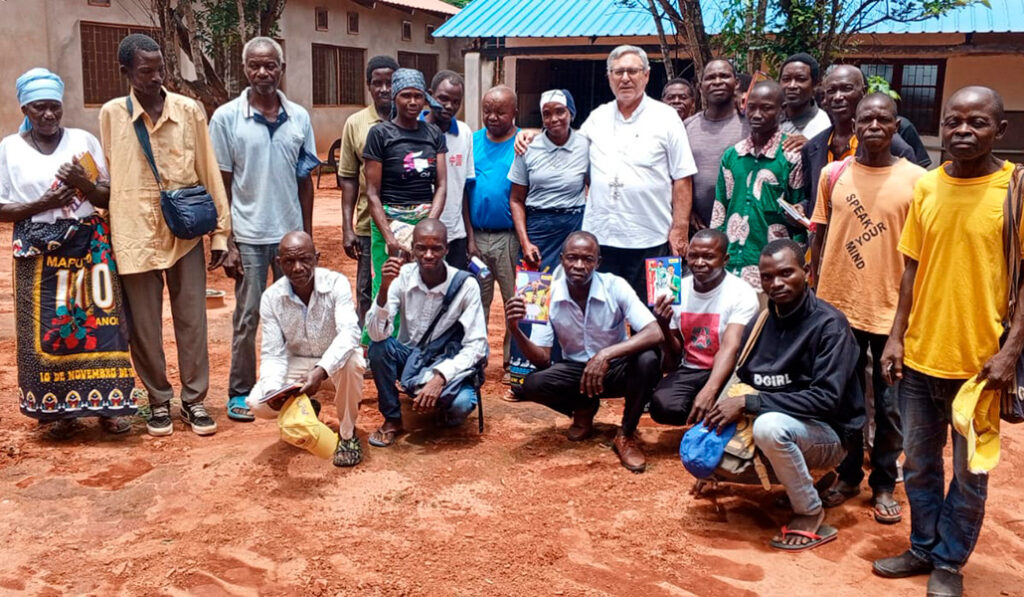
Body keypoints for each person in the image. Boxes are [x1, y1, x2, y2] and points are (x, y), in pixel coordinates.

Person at [873, 87, 1018, 597]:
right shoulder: (929, 188)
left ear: (999, 130)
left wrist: (1010, 353)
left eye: (977, 123)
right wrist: (896, 338)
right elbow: (911, 270)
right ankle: (922, 547)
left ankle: (950, 563)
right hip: (920, 357)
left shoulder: (1016, 192)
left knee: (970, 473)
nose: (962, 131)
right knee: (918, 462)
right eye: (953, 121)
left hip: (980, 368)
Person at [100, 34, 231, 437]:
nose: (157, 78)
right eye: (146, 71)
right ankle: (158, 400)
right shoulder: (111, 114)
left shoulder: (188, 110)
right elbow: (108, 172)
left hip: (185, 234)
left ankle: (194, 401)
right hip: (133, 234)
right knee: (143, 326)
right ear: (126, 73)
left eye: (161, 69)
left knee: (192, 321)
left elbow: (208, 170)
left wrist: (221, 234)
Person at [809, 93, 926, 524]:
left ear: (897, 126)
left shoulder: (918, 180)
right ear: (854, 126)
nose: (874, 125)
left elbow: (922, 254)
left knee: (891, 404)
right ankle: (846, 473)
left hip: (894, 311)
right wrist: (815, 294)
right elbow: (819, 237)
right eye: (866, 119)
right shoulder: (832, 174)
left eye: (883, 119)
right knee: (844, 398)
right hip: (839, 307)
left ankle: (882, 481)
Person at [1, 68, 136, 439]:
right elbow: (1, 207)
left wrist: (83, 183)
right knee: (47, 329)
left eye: (55, 108)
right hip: (36, 253)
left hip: (89, 247)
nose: (49, 116)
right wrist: (41, 203)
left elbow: (107, 196)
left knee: (103, 323)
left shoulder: (82, 141)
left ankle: (109, 408)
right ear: (25, 108)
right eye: (40, 108)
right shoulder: (9, 149)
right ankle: (58, 412)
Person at [705, 239, 864, 551]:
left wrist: (751, 403)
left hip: (829, 434)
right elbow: (743, 377)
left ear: (806, 272)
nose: (775, 284)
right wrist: (712, 456)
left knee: (769, 427)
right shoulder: (764, 319)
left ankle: (809, 511)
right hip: (785, 422)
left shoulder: (830, 325)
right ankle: (803, 479)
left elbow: (826, 400)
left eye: (786, 273)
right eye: (767, 277)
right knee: (734, 426)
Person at [516, 45, 698, 301]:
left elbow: (683, 177)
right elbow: (569, 141)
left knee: (662, 313)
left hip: (655, 238)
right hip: (601, 241)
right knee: (599, 315)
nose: (625, 78)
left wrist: (679, 229)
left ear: (646, 75)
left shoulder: (667, 118)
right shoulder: (598, 118)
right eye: (618, 72)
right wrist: (534, 133)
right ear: (609, 77)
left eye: (632, 71)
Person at [209, 37, 317, 423]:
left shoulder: (300, 118)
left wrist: (305, 236)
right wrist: (226, 239)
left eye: (270, 65)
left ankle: (287, 388)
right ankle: (240, 391)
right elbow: (220, 182)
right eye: (255, 65)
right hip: (250, 237)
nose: (263, 72)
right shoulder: (226, 118)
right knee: (248, 317)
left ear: (281, 69)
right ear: (245, 69)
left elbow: (306, 181)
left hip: (290, 240)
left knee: (294, 316)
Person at [507, 231, 663, 472]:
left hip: (615, 368)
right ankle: (583, 408)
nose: (579, 265)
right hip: (577, 373)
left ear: (597, 262)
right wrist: (516, 330)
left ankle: (626, 434)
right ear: (561, 259)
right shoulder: (545, 292)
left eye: (587, 259)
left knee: (648, 359)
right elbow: (542, 358)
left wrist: (605, 355)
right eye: (572, 258)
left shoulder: (615, 285)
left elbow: (655, 332)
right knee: (532, 384)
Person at [246, 232, 365, 466]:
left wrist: (320, 371)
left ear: (317, 258)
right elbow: (273, 353)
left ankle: (348, 435)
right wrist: (275, 392)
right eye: (289, 262)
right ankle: (306, 406)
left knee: (354, 362)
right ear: (279, 263)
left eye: (305, 260)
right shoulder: (271, 297)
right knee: (258, 404)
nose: (298, 268)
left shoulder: (336, 283)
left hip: (333, 364)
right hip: (298, 364)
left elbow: (350, 333)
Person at [365, 219, 488, 447]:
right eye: (421, 248)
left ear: (447, 249)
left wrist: (440, 377)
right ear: (412, 249)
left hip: (446, 360)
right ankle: (392, 418)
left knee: (460, 405)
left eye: (436, 248)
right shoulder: (401, 277)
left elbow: (477, 345)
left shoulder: (466, 286)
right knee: (378, 348)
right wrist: (383, 289)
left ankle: (440, 404)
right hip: (410, 358)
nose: (428, 255)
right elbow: (376, 335)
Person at [506, 89, 590, 390]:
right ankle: (522, 375)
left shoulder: (586, 145)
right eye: (547, 113)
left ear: (571, 113)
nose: (554, 118)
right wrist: (526, 241)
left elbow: (594, 187)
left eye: (560, 111)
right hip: (538, 228)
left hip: (573, 226)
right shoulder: (528, 148)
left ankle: (560, 368)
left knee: (569, 296)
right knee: (532, 300)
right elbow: (516, 199)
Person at [362, 68, 447, 344]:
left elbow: (442, 185)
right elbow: (372, 193)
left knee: (424, 288)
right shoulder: (380, 134)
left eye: (418, 96)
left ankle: (415, 350)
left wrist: (426, 229)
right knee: (387, 284)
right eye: (406, 96)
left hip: (424, 224)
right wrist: (391, 239)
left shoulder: (434, 134)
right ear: (395, 98)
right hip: (389, 221)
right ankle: (380, 348)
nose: (412, 102)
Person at [650, 229, 758, 425]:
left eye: (708, 257)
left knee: (725, 402)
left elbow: (730, 348)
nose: (699, 263)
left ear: (725, 259)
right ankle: (704, 414)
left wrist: (710, 390)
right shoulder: (676, 289)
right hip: (691, 368)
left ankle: (711, 409)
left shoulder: (741, 293)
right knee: (662, 407)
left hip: (728, 370)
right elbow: (673, 358)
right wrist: (663, 325)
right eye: (693, 256)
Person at [712, 81, 806, 293]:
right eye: (751, 106)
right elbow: (720, 210)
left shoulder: (792, 157)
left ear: (781, 111)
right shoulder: (732, 156)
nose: (756, 114)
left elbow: (800, 218)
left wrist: (796, 268)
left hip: (773, 270)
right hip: (731, 265)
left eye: (766, 108)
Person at [800, 65, 918, 216]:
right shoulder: (812, 147)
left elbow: (910, 203)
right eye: (831, 91)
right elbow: (812, 198)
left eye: (846, 88)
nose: (838, 97)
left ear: (863, 93)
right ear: (824, 99)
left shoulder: (894, 147)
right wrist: (802, 207)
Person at [339, 55, 399, 326]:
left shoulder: (413, 119)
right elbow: (349, 178)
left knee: (403, 285)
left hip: (405, 221)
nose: (384, 88)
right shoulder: (356, 123)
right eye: (378, 83)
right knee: (366, 287)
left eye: (390, 82)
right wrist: (347, 228)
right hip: (367, 223)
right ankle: (366, 348)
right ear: (368, 86)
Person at [467, 85, 520, 377]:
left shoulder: (524, 142)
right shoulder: (472, 142)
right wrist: (470, 238)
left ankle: (514, 359)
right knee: (478, 302)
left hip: (510, 238)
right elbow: (464, 192)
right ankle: (477, 359)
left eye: (500, 111)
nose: (493, 116)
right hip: (477, 238)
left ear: (514, 112)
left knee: (515, 300)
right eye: (487, 110)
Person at [685, 59, 750, 230]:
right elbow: (675, 176)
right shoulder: (687, 127)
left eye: (724, 76)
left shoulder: (751, 125)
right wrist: (686, 211)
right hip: (698, 228)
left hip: (743, 226)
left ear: (736, 83)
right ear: (700, 87)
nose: (717, 82)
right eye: (710, 77)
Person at [424, 70, 474, 270]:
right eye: (443, 99)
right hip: (422, 233)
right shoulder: (414, 131)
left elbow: (463, 190)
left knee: (454, 295)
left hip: (455, 234)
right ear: (430, 95)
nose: (449, 106)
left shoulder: (464, 133)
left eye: (456, 102)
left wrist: (470, 238)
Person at [779, 53, 831, 142]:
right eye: (786, 79)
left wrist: (810, 148)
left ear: (815, 85)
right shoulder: (771, 116)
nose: (792, 86)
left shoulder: (821, 125)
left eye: (801, 79)